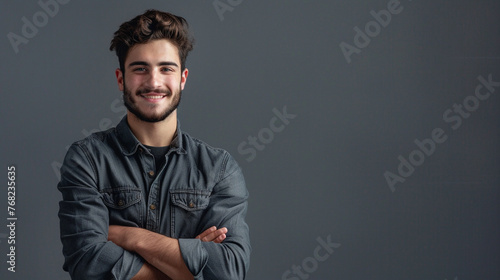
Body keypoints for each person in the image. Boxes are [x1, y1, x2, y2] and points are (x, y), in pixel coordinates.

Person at [57, 9, 251, 280]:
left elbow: (229, 271)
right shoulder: (87, 159)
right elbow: (87, 263)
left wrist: (128, 236)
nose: (153, 82)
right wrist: (186, 268)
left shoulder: (220, 169)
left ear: (182, 79)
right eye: (140, 69)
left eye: (166, 68)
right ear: (121, 79)